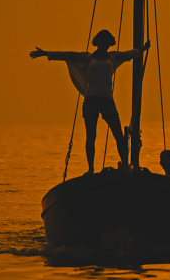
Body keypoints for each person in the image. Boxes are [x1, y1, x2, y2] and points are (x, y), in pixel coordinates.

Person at [30, 29, 150, 175]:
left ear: (109, 43)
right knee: (91, 136)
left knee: (118, 134)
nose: (105, 43)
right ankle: (91, 168)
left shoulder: (113, 57)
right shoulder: (88, 58)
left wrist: (143, 48)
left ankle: (125, 163)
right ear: (98, 42)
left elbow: (130, 54)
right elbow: (68, 55)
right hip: (91, 99)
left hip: (107, 100)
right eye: (102, 41)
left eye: (107, 41)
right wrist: (46, 53)